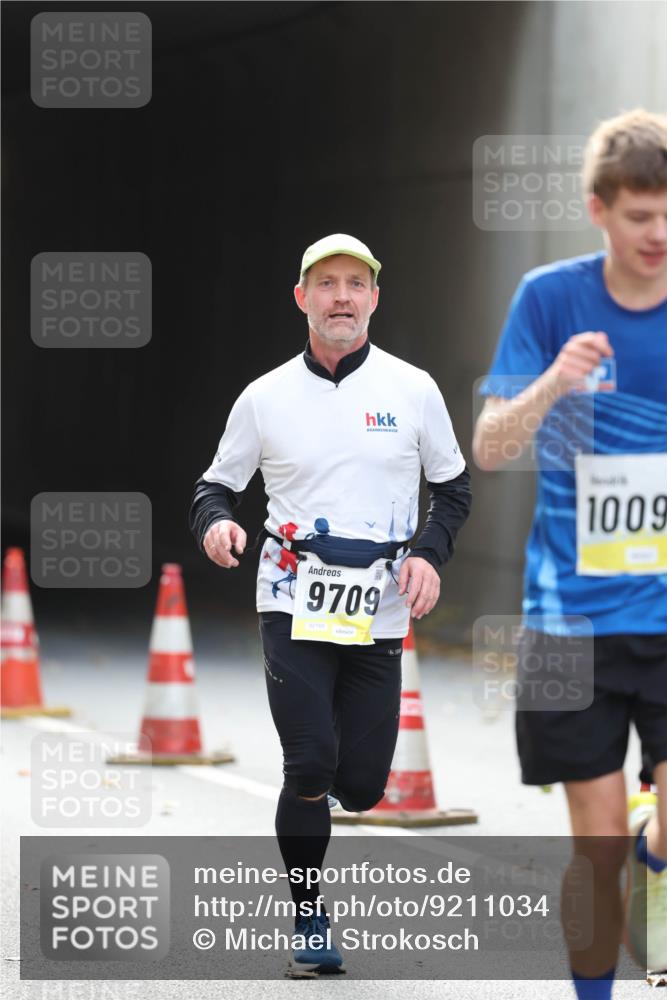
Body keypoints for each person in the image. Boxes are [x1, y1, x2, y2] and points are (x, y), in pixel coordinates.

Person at [189, 233, 471, 976]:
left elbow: (452, 490)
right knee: (309, 763)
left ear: (374, 298)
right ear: (301, 298)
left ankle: (339, 792)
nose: (341, 297)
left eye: (355, 284)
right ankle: (308, 918)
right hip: (291, 601)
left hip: (377, 610)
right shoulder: (265, 396)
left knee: (361, 786)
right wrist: (216, 523)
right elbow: (214, 486)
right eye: (326, 284)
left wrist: (425, 555)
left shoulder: (412, 390)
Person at [473, 109, 667, 997]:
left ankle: (650, 852)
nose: (658, 233)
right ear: (598, 210)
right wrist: (553, 380)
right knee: (592, 855)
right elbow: (489, 446)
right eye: (639, 215)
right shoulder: (548, 298)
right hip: (570, 623)